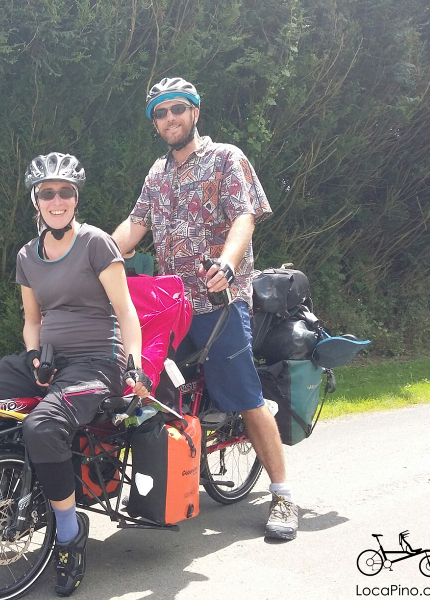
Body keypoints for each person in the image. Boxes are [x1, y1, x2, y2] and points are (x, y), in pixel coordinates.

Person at [0, 152, 152, 596]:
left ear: (75, 199)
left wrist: (134, 361)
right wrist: (32, 356)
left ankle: (68, 534)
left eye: (65, 192)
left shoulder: (96, 243)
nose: (57, 199)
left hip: (95, 364)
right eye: (48, 193)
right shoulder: (27, 254)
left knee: (42, 427)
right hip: (46, 358)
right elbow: (32, 318)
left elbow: (125, 312)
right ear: (36, 201)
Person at [112, 77, 298, 540]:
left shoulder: (225, 158)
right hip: (173, 305)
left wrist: (229, 264)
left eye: (177, 108)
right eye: (160, 112)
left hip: (219, 301)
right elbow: (133, 229)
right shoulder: (157, 175)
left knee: (243, 395)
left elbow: (244, 217)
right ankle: (166, 480)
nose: (169, 118)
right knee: (147, 388)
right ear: (154, 123)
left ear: (195, 111)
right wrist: (89, 258)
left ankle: (283, 496)